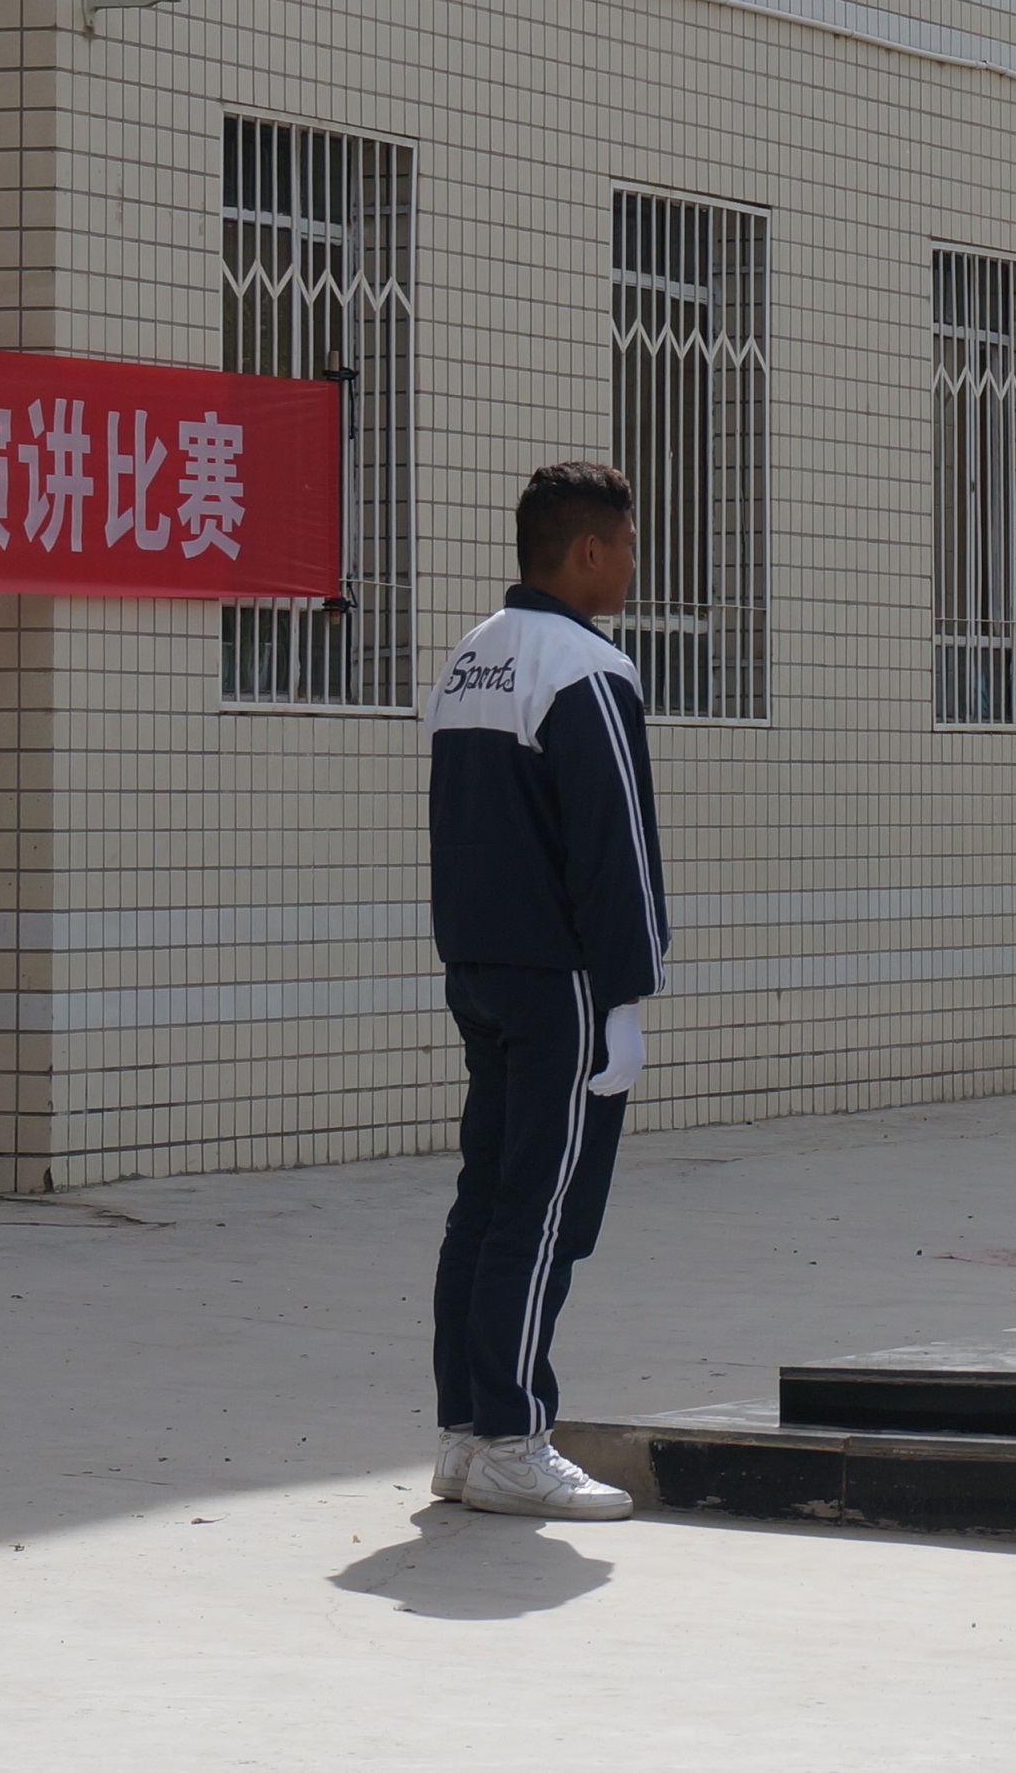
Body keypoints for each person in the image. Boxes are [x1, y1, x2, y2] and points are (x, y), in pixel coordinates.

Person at [422, 460, 669, 1520]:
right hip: (561, 979)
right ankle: (518, 1432)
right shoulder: (584, 666)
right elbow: (613, 843)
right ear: (586, 550)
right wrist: (625, 991)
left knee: (486, 1197)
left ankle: (468, 1432)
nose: (631, 559)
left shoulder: (471, 657)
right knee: (546, 1206)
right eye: (626, 539)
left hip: (479, 966)